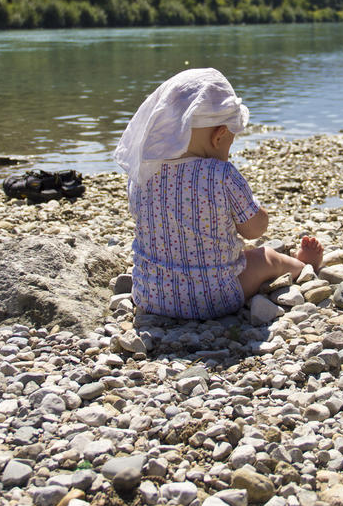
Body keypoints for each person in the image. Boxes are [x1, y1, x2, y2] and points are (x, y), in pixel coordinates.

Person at [114, 67, 323, 320]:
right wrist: (259, 215)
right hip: (215, 298)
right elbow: (253, 231)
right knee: (265, 256)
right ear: (219, 135)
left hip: (152, 296)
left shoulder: (142, 172)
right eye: (230, 143)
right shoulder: (220, 174)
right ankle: (305, 266)